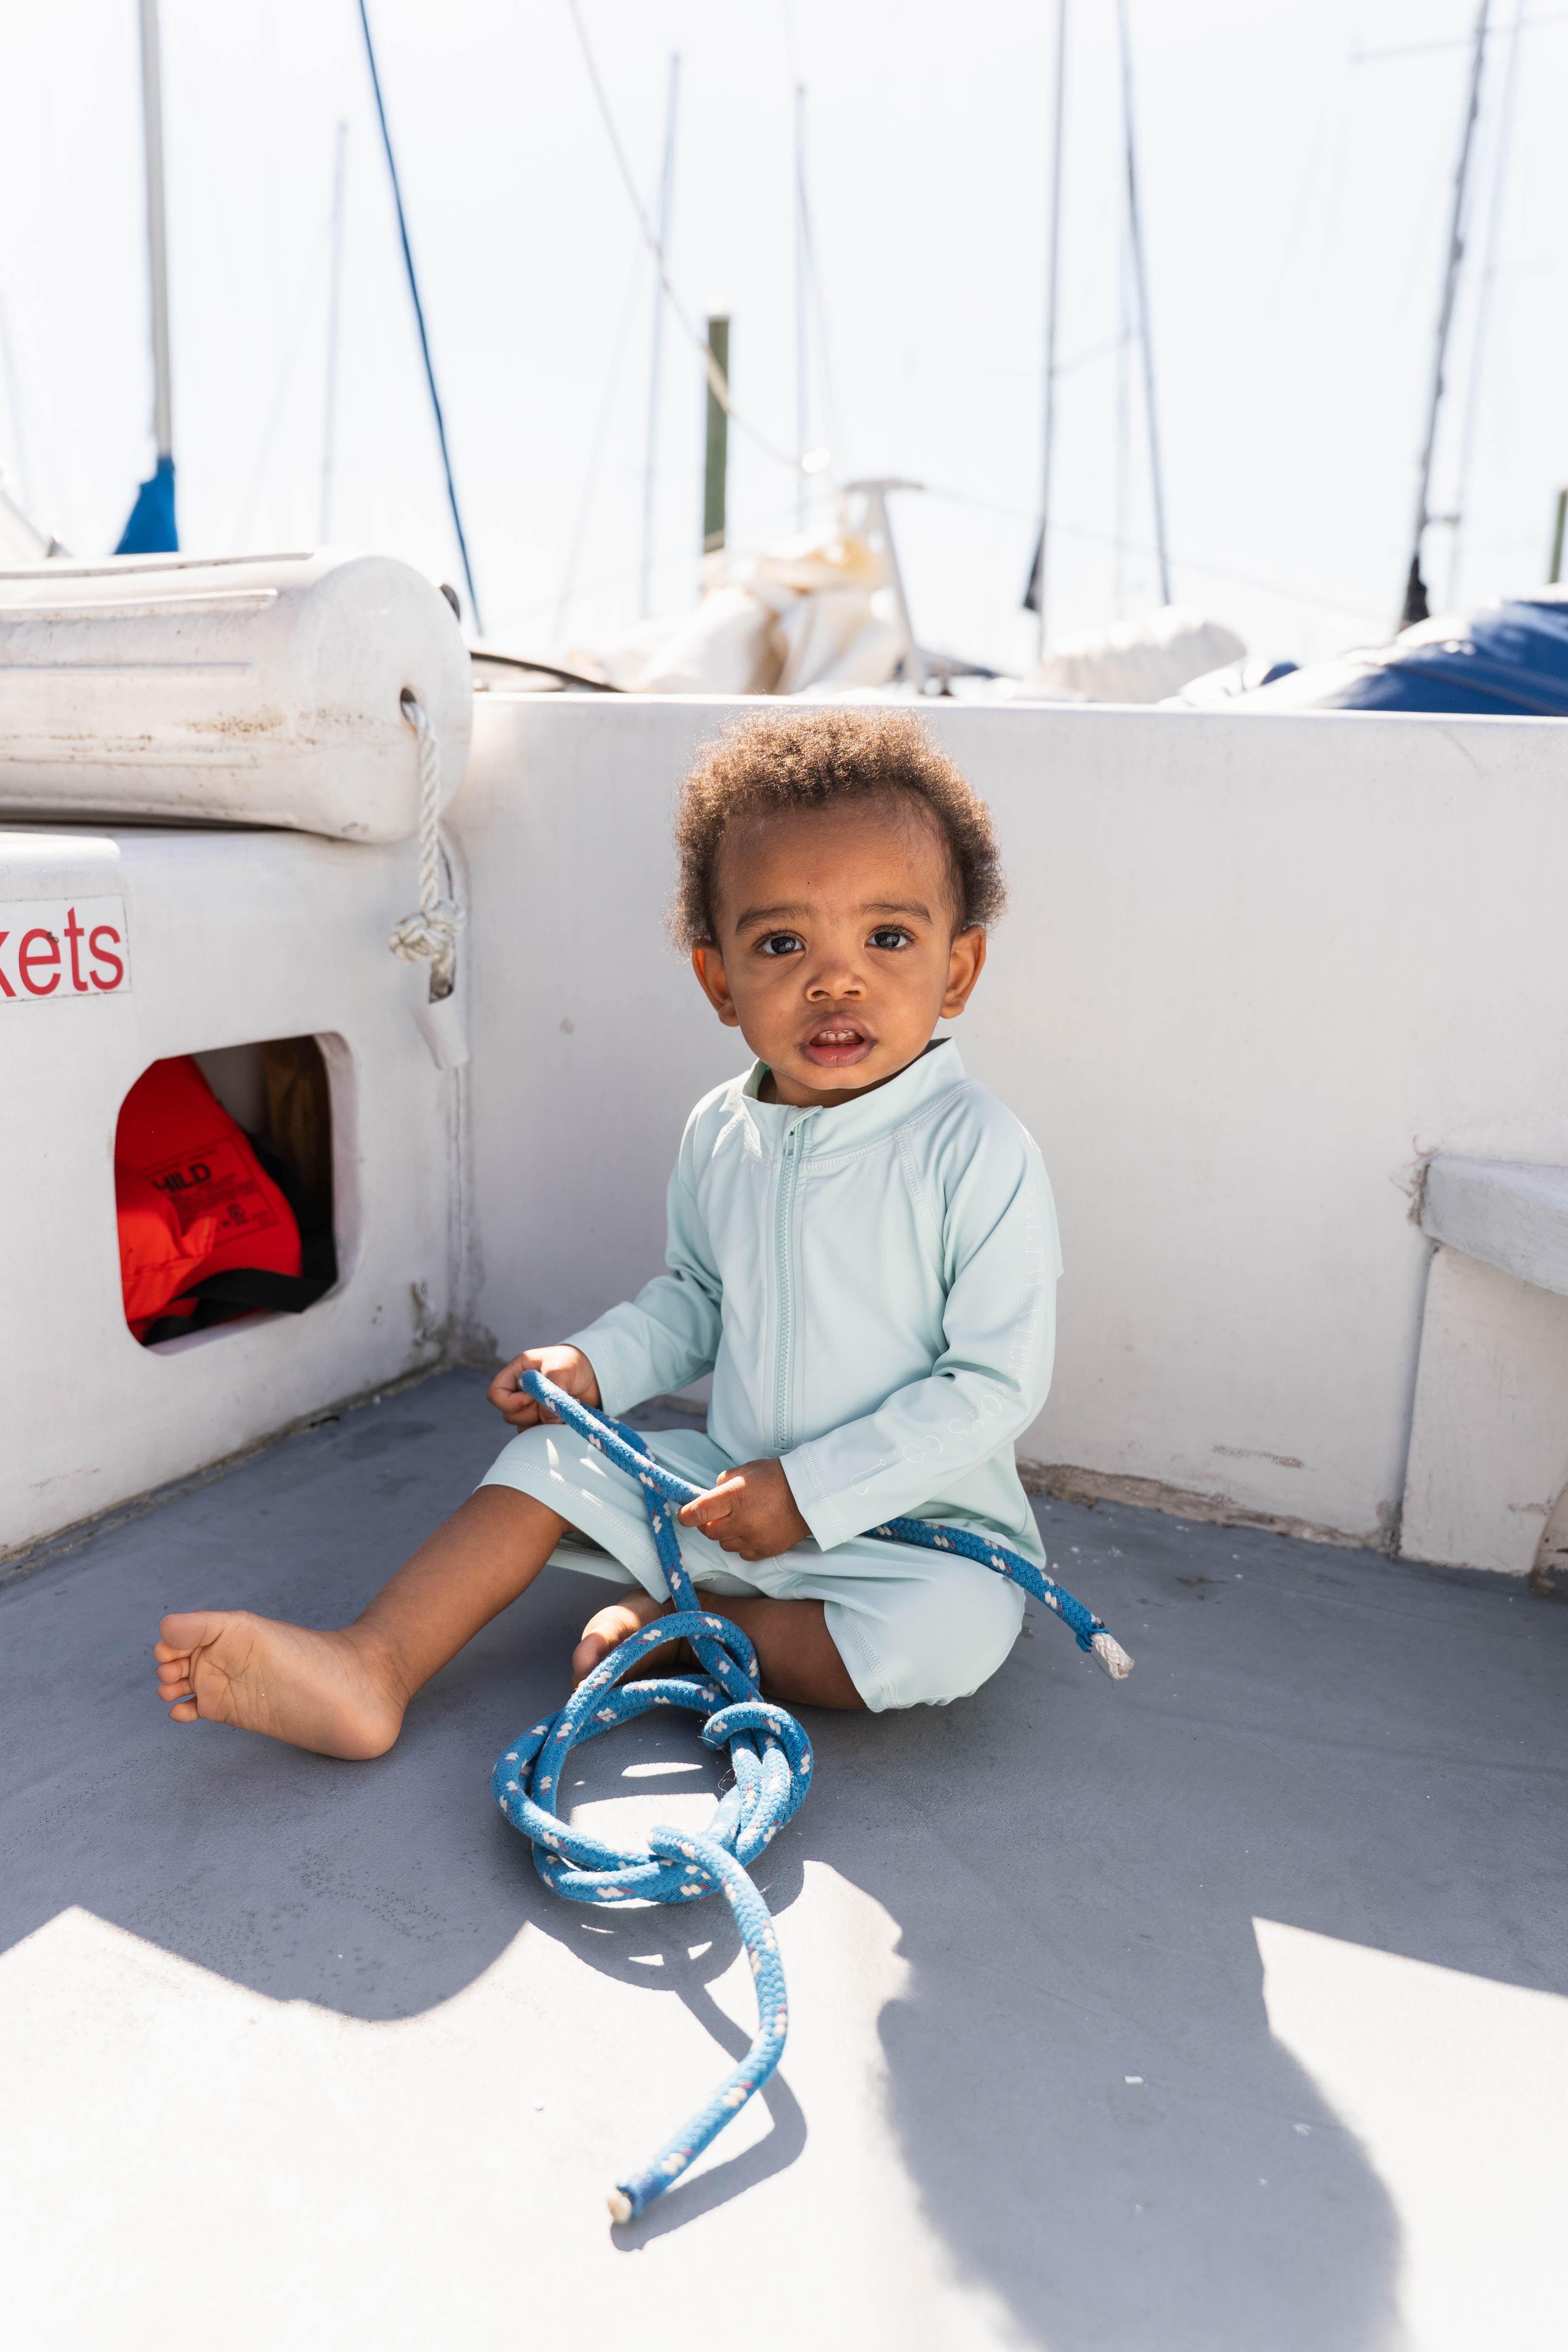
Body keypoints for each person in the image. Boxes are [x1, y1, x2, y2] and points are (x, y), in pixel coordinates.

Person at [152, 708, 1062, 1756]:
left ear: (958, 967)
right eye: (780, 942)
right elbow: (697, 1298)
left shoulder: (976, 1148)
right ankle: (374, 1662)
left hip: (912, 1526)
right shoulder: (723, 1130)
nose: (836, 977)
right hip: (721, 1485)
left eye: (888, 936)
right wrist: (593, 1365)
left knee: (950, 1641)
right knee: (538, 1470)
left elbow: (993, 1385)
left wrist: (811, 1496)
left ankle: (697, 1628)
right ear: (719, 978)